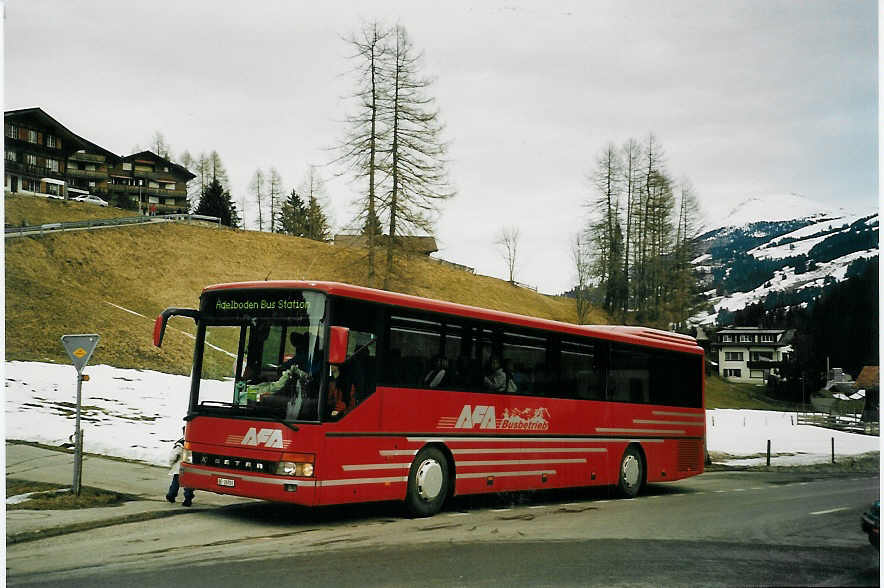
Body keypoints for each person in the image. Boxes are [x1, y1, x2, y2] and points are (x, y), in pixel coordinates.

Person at [166, 428, 194, 507]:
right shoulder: (196, 442)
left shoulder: (181, 443)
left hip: (179, 467)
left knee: (176, 482)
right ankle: (188, 499)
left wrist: (171, 464)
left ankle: (171, 496)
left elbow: (173, 455)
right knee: (188, 485)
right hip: (191, 467)